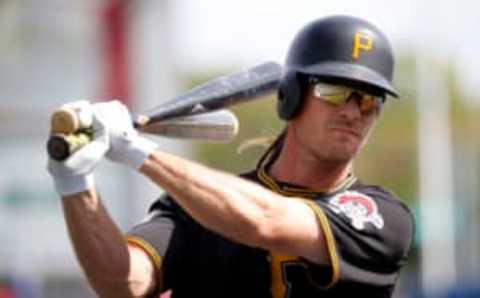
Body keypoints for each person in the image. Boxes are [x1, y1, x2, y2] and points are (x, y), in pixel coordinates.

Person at [47, 15, 414, 298]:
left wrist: (135, 150)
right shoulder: (197, 206)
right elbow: (121, 282)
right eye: (335, 91)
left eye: (369, 100)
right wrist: (75, 182)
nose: (353, 112)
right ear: (292, 95)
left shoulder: (380, 217)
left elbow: (265, 222)